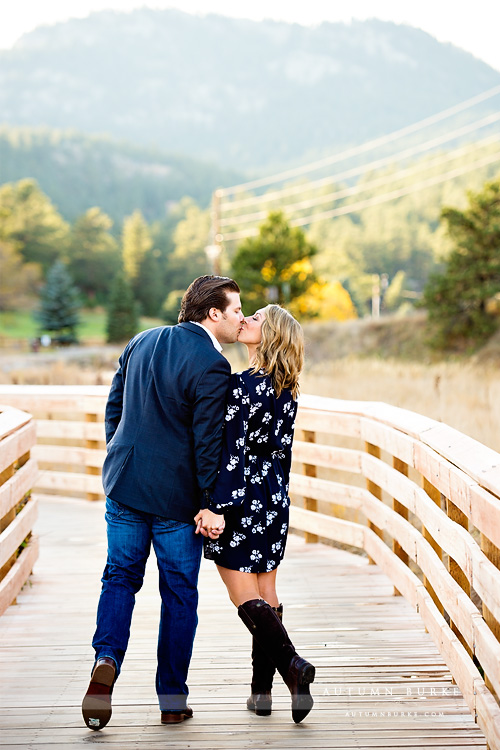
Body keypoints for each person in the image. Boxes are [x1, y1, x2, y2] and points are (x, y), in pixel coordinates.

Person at [82, 275, 244, 731]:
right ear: (212, 313)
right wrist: (212, 503)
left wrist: (120, 453)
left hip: (126, 484)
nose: (239, 318)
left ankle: (107, 659)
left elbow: (114, 407)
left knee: (119, 576)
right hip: (177, 500)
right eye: (235, 309)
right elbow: (208, 442)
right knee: (178, 595)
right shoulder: (213, 364)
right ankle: (172, 700)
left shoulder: (141, 340)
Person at [196, 304, 315, 724]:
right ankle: (261, 694)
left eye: (257, 319)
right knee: (266, 591)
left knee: (242, 594)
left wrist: (217, 506)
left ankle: (294, 666)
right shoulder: (288, 387)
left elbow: (232, 455)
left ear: (271, 336)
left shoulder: (242, 387)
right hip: (275, 497)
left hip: (242, 497)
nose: (245, 320)